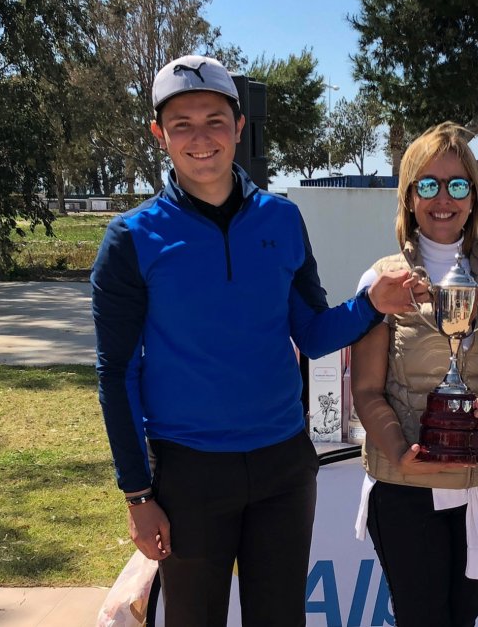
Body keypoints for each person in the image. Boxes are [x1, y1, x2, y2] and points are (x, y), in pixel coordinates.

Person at [91, 54, 419, 627]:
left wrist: (371, 305)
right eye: (182, 124)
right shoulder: (131, 238)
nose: (201, 138)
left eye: (215, 120)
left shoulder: (281, 219)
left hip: (282, 467)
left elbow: (313, 333)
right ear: (159, 135)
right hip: (188, 472)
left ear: (239, 128)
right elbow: (116, 373)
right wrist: (138, 495)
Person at [350, 121, 478, 627]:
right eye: (427, 185)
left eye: (457, 185)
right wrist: (398, 449)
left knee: (463, 618)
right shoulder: (381, 280)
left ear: (474, 198)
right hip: (405, 485)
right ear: (409, 197)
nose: (443, 199)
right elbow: (365, 390)